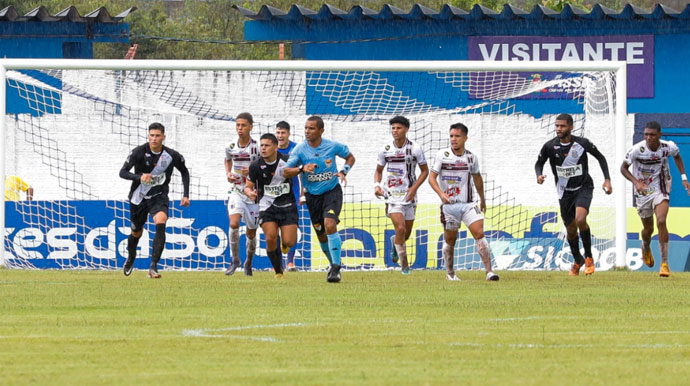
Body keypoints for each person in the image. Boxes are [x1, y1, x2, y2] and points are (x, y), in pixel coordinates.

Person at [535, 113, 612, 276]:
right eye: (557, 126)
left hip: (583, 187)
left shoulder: (582, 144)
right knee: (570, 230)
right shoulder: (550, 146)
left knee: (580, 219)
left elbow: (601, 158)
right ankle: (578, 260)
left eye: (562, 126)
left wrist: (607, 180)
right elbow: (539, 163)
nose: (559, 129)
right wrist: (539, 175)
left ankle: (589, 257)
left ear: (571, 127)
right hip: (564, 192)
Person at [284, 116, 355, 283]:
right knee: (322, 235)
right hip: (312, 197)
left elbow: (350, 157)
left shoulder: (332, 146)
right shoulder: (300, 150)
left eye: (312, 128)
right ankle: (333, 265)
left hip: (331, 191)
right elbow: (286, 171)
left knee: (330, 225)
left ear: (321, 130)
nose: (307, 132)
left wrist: (344, 171)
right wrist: (301, 168)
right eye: (306, 128)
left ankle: (336, 267)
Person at [429, 123, 499, 282]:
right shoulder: (442, 155)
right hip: (449, 206)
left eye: (457, 136)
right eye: (451, 136)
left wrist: (482, 199)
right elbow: (431, 178)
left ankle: (489, 272)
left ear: (465, 138)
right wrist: (441, 194)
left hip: (468, 204)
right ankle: (450, 274)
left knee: (479, 233)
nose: (453, 139)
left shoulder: (471, 158)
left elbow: (477, 179)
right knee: (450, 240)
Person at [119, 122, 190, 279]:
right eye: (152, 135)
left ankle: (153, 267)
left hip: (159, 196)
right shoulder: (138, 152)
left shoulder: (172, 155)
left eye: (158, 136)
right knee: (136, 232)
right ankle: (131, 257)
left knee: (161, 222)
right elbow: (122, 172)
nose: (154, 139)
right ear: (148, 136)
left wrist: (186, 194)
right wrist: (139, 177)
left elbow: (185, 172)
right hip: (139, 197)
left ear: (163, 137)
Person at [620, 121, 690, 277]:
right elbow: (623, 168)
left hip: (661, 187)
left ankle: (664, 263)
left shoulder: (667, 147)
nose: (648, 137)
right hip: (643, 191)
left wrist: (684, 177)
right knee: (648, 229)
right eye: (646, 134)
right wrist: (636, 182)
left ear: (659, 134)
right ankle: (645, 244)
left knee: (661, 221)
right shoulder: (637, 149)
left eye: (652, 134)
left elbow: (677, 156)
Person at [374, 116, 429, 274]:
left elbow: (425, 171)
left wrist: (414, 189)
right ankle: (405, 266)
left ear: (406, 129)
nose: (395, 131)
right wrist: (377, 186)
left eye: (398, 128)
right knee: (400, 227)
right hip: (391, 195)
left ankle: (395, 243)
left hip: (409, 196)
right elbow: (378, 171)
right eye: (393, 128)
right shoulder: (385, 149)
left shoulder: (415, 149)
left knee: (405, 233)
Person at [245, 133, 300, 278]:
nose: (263, 148)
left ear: (276, 147)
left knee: (290, 241)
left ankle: (285, 245)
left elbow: (298, 176)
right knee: (270, 237)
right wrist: (250, 193)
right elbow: (248, 186)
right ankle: (278, 271)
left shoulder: (288, 161)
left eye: (267, 145)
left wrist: (302, 193)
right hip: (266, 205)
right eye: (261, 145)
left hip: (287, 204)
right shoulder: (256, 165)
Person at [224, 112, 260, 276]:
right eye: (238, 125)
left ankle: (248, 262)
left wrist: (253, 170)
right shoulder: (231, 146)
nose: (240, 128)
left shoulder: (257, 147)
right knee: (233, 224)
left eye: (243, 125)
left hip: (253, 194)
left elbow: (265, 165)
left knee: (251, 232)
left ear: (251, 127)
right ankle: (235, 259)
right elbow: (227, 159)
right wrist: (228, 174)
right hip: (237, 190)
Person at [276, 121, 302, 272]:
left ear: (288, 134)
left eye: (283, 133)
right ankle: (278, 263)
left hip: (293, 193)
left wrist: (303, 194)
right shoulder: (271, 148)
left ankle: (290, 263)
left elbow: (302, 172)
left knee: (292, 228)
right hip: (275, 194)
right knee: (275, 229)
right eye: (278, 133)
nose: (280, 136)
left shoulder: (296, 148)